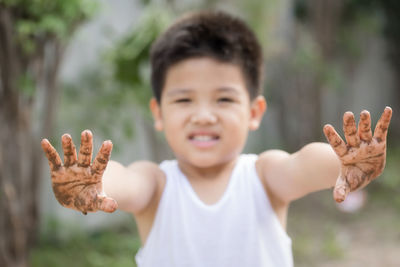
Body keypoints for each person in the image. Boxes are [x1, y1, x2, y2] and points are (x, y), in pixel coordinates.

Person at [41, 11, 392, 267]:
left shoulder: (264, 176)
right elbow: (124, 180)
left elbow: (301, 164)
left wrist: (342, 162)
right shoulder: (157, 185)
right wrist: (94, 183)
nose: (204, 115)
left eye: (223, 98)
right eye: (183, 99)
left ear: (254, 111)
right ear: (159, 112)